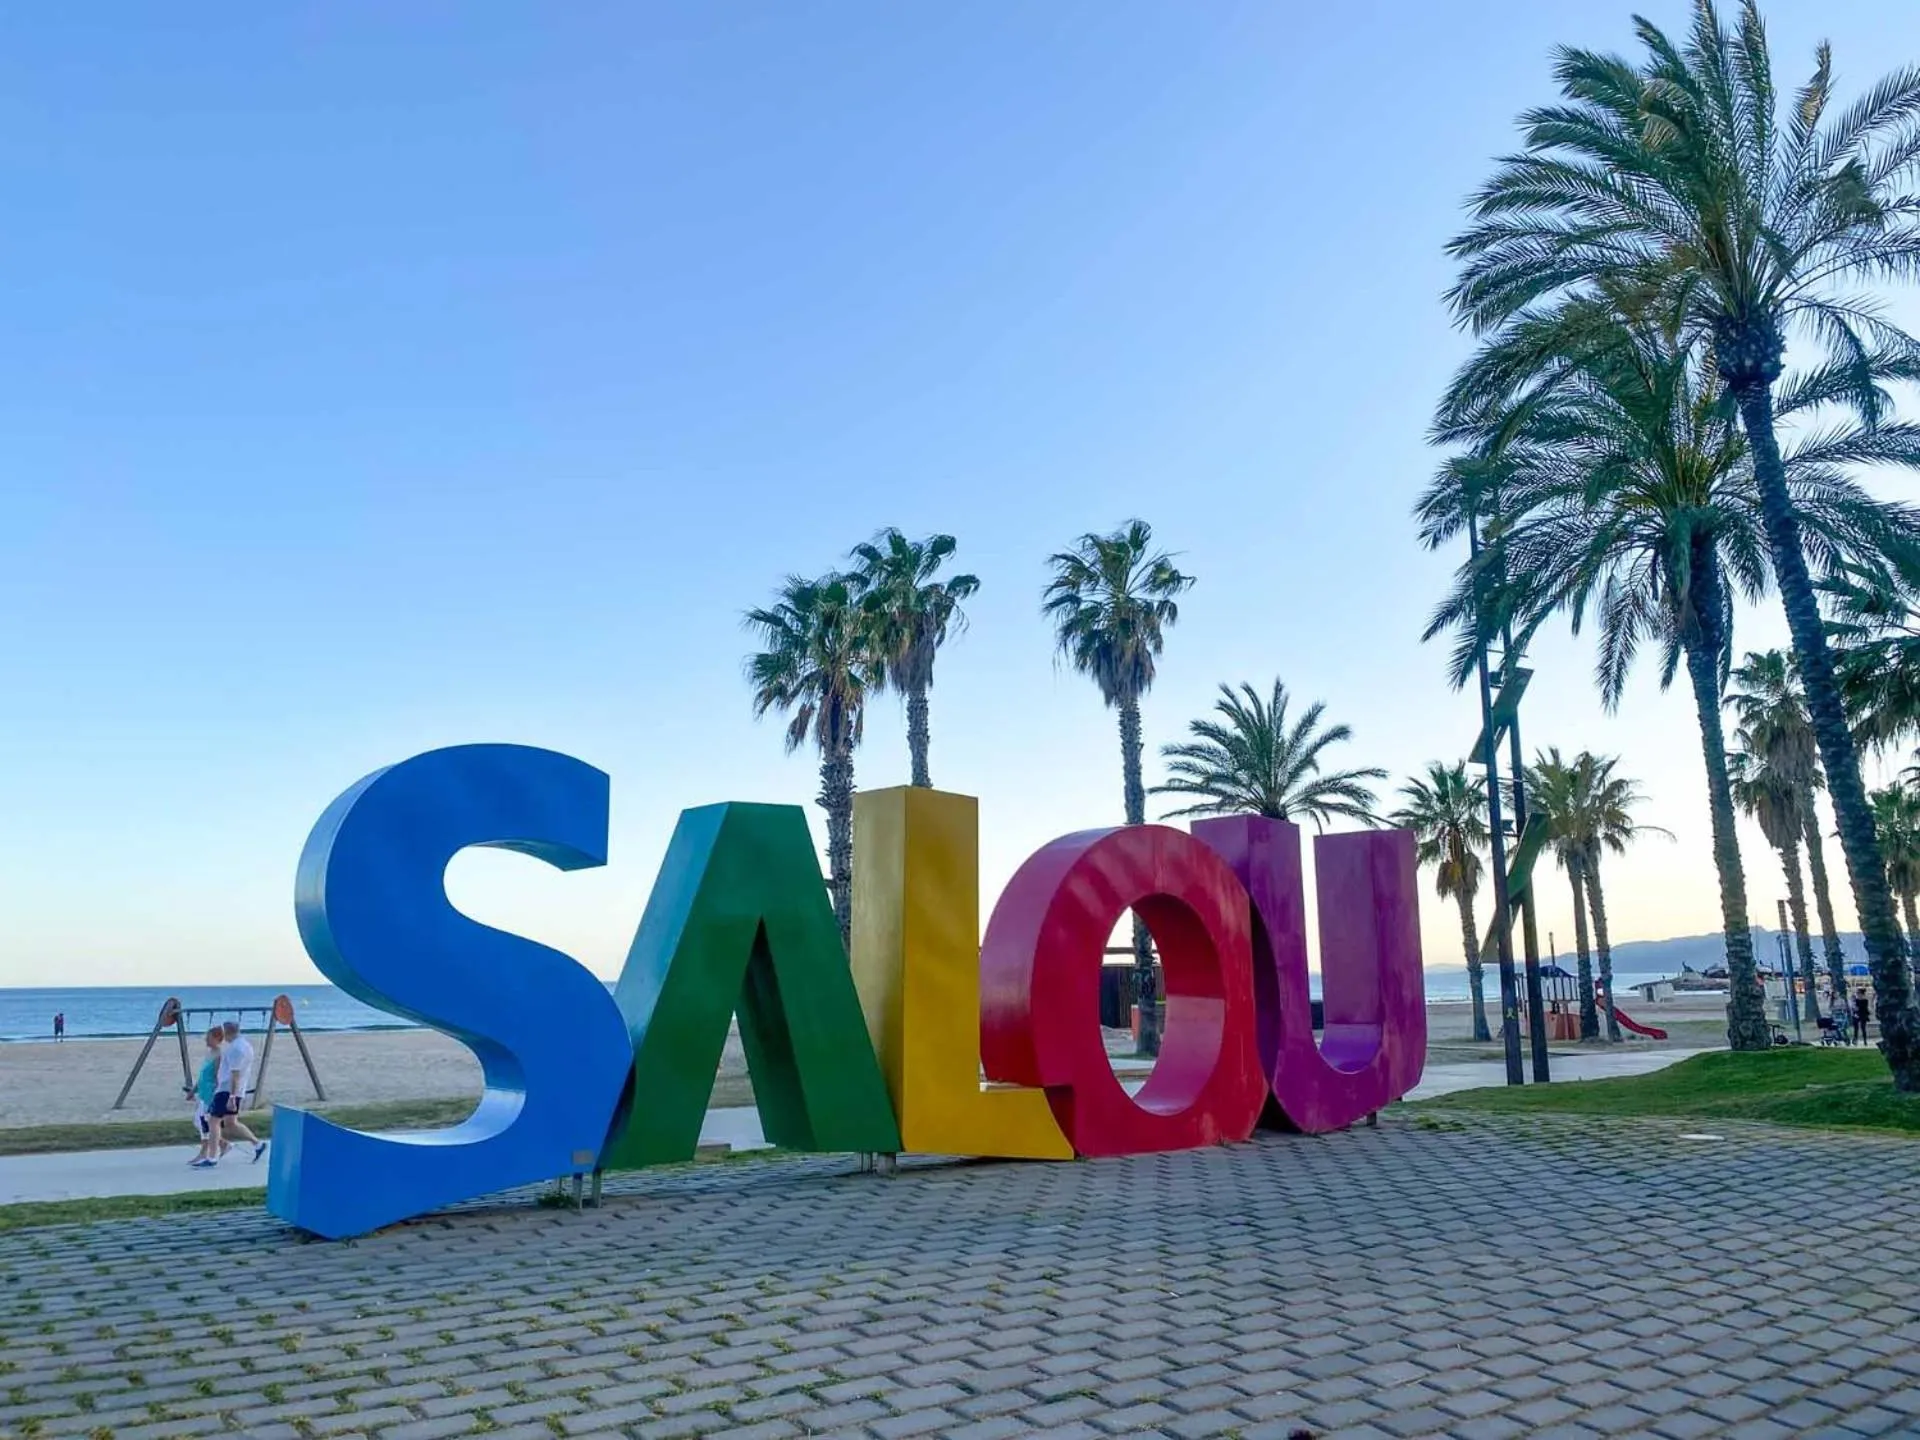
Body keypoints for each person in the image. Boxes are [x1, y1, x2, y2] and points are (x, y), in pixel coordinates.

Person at [214, 1020, 267, 1162]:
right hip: (232, 1089)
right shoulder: (244, 1045)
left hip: (227, 1090)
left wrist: (232, 1096)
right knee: (230, 1123)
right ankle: (256, 1144)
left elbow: (235, 1074)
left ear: (227, 1032)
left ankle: (218, 1149)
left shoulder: (236, 1049)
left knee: (210, 1121)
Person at [188, 1027, 223, 1167]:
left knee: (204, 1122)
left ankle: (204, 1152)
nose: (206, 1039)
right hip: (203, 1092)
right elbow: (202, 1075)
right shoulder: (210, 1053)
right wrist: (193, 1090)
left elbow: (217, 1077)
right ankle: (223, 1144)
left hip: (210, 1094)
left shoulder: (219, 1055)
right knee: (199, 1121)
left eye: (208, 1037)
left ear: (216, 1038)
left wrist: (216, 1095)